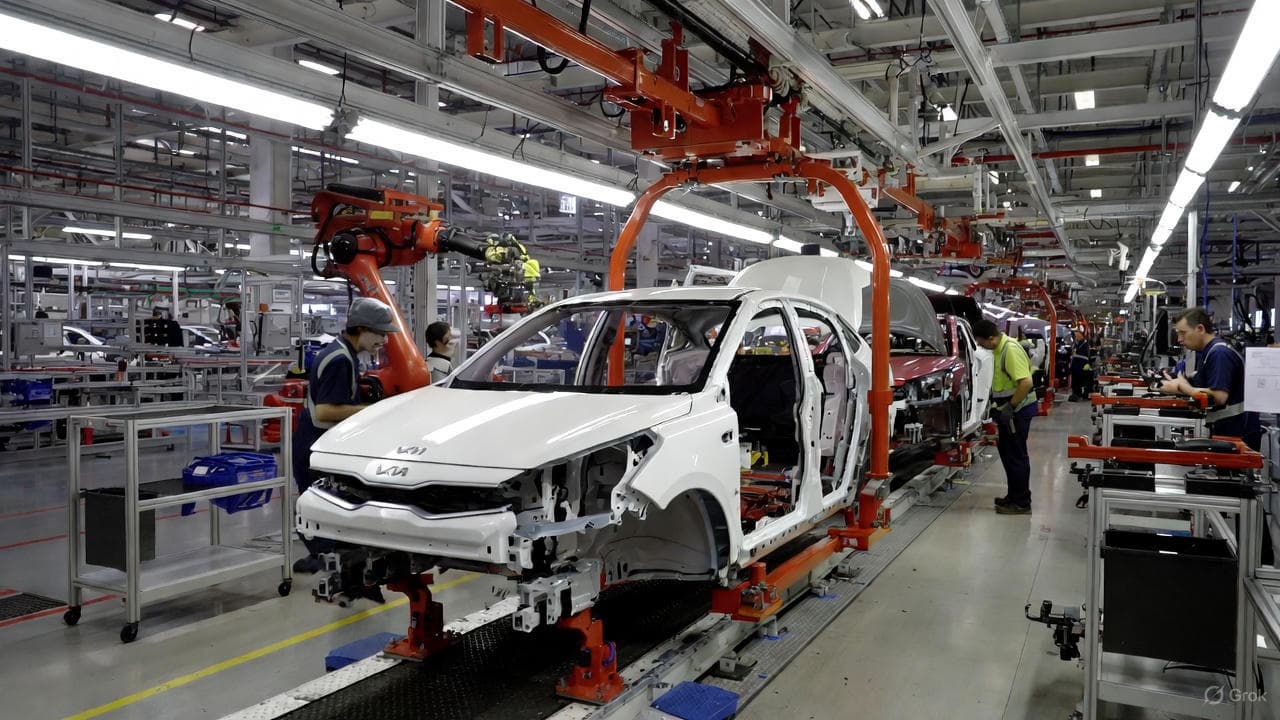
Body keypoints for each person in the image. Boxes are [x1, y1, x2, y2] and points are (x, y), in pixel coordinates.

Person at [291, 297, 398, 573]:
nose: (384, 340)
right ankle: (328, 560)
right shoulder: (340, 359)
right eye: (380, 334)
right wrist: (372, 411)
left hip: (316, 441)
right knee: (319, 502)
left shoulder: (343, 352)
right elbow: (326, 410)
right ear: (361, 329)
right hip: (315, 443)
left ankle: (327, 557)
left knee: (324, 502)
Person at [1158, 307, 1262, 450]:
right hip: (1227, 430)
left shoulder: (1219, 353)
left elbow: (1219, 397)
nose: (1179, 339)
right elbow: (1203, 384)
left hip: (1238, 436)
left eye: (1183, 333)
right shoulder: (1207, 352)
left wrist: (1181, 387)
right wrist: (1179, 381)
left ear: (1200, 329)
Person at [973, 319, 1038, 515]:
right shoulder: (998, 349)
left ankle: (1021, 502)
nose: (980, 346)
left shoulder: (1009, 349)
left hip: (1018, 411)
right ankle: (1014, 496)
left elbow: (1026, 382)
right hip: (1008, 411)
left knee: (1016, 456)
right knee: (1008, 455)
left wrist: (1010, 406)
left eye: (981, 342)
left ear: (991, 338)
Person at [1069, 330, 1094, 401]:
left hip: (1081, 365)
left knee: (1081, 381)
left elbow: (1086, 356)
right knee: (1075, 381)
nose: (1076, 337)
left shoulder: (1085, 344)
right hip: (1075, 365)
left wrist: (1087, 364)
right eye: (1076, 335)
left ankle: (1082, 394)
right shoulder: (1076, 343)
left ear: (1082, 335)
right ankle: (1076, 394)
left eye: (1078, 335)